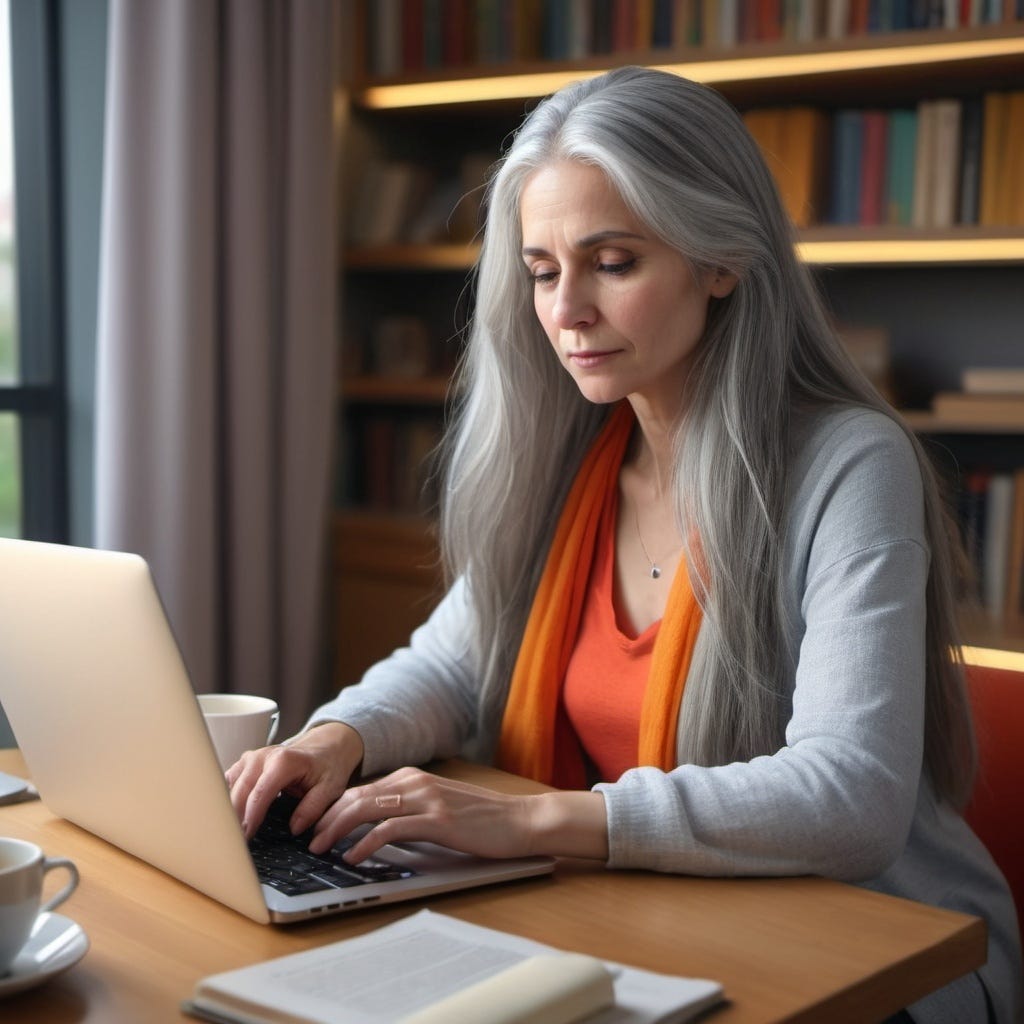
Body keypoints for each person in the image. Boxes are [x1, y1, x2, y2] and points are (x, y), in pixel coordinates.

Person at [227, 67, 1021, 1023]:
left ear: (720, 261)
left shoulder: (850, 463)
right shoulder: (572, 458)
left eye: (613, 262)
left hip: (884, 951)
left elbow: (851, 797)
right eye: (542, 271)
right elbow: (446, 665)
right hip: (654, 920)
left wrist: (528, 823)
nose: (566, 312)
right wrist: (334, 737)